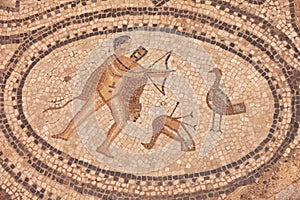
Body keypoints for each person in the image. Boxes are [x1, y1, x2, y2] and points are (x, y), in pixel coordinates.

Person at [50, 35, 172, 158]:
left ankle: (104, 147)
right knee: (84, 113)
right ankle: (65, 134)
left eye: (140, 55)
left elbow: (145, 73)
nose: (135, 54)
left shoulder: (130, 63)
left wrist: (160, 73)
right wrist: (131, 74)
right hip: (102, 93)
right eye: (128, 44)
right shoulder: (111, 59)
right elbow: (116, 71)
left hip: (114, 97)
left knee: (121, 121)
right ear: (119, 45)